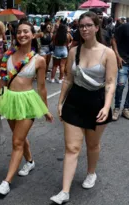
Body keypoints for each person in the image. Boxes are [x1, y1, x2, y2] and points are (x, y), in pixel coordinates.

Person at [50, 11, 117, 204]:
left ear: (97, 27)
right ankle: (64, 191)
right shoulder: (74, 51)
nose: (84, 29)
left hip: (97, 102)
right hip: (75, 101)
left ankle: (91, 173)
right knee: (71, 147)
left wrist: (106, 106)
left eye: (89, 25)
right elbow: (68, 79)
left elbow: (110, 83)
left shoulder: (108, 53)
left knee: (92, 145)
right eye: (81, 26)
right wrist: (60, 101)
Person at [0, 21, 53, 195]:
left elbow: (41, 87)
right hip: (9, 99)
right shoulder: (7, 56)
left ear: (33, 35)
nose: (22, 35)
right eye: (19, 32)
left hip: (27, 101)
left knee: (17, 141)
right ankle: (30, 161)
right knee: (19, 136)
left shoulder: (39, 60)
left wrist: (46, 110)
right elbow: (2, 80)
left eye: (26, 32)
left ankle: (6, 182)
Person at [111, 22, 129, 120]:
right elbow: (113, 40)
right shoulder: (124, 27)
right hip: (124, 62)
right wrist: (117, 56)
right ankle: (117, 108)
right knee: (120, 86)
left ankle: (126, 109)